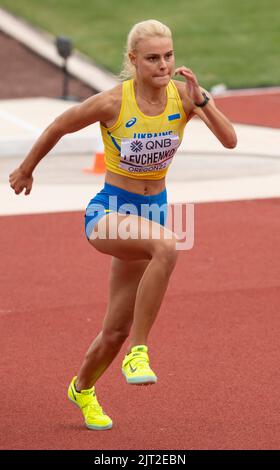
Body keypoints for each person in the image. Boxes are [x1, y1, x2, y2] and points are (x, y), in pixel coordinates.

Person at [9, 19, 237, 431]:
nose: (163, 65)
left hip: (154, 212)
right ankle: (141, 351)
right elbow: (59, 125)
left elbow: (230, 140)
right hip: (111, 210)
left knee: (113, 330)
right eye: (152, 58)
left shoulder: (184, 99)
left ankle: (82, 388)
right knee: (168, 246)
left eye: (168, 55)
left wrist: (203, 102)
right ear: (133, 60)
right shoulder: (112, 102)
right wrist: (25, 170)